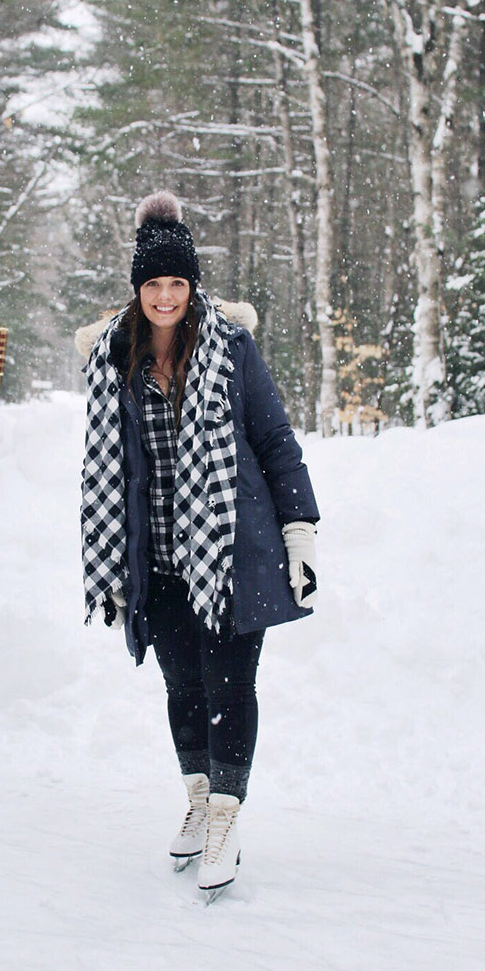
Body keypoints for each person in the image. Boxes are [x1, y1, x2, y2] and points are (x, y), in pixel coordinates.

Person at [77, 191, 319, 900]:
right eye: (153, 284)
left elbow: (274, 441)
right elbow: (104, 465)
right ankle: (197, 796)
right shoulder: (114, 359)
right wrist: (114, 561)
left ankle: (225, 817)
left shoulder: (231, 349)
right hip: (155, 554)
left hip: (228, 550)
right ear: (137, 290)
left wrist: (299, 530)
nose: (165, 296)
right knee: (182, 687)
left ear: (193, 286)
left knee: (227, 686)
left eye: (177, 283)